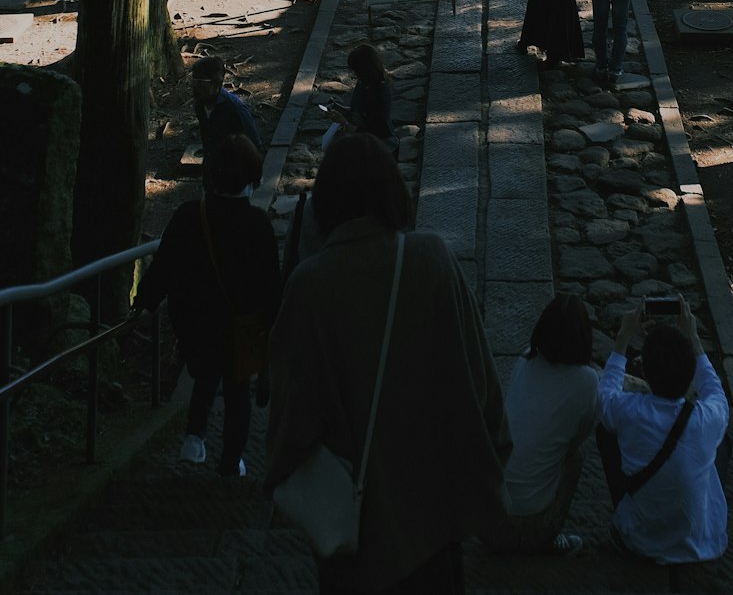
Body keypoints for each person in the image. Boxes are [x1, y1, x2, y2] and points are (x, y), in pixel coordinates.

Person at [265, 134, 510, 595]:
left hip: (353, 526)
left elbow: (289, 424)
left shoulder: (308, 288)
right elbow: (481, 388)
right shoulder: (432, 259)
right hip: (434, 516)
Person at [135, 135, 281, 477]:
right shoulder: (257, 224)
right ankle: (230, 464)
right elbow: (271, 288)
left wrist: (145, 302)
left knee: (204, 374)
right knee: (237, 392)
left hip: (195, 325)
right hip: (239, 328)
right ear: (251, 177)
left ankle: (193, 438)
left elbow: (164, 267)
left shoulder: (189, 215)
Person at [596, 301, 729, 573]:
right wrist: (693, 338)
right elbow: (714, 390)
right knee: (721, 438)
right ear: (690, 375)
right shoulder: (707, 417)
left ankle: (627, 510)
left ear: (645, 372)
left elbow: (605, 396)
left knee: (606, 428)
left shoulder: (629, 411)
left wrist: (623, 338)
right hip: (705, 544)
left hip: (639, 543)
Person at [482, 295, 597, 557]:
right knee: (575, 457)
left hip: (485, 520)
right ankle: (548, 536)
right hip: (529, 530)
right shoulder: (586, 381)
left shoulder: (525, 359)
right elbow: (578, 439)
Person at [191, 56, 263, 168]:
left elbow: (254, 144)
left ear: (216, 83)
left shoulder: (236, 109)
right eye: (193, 80)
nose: (195, 86)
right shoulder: (200, 105)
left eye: (201, 81)